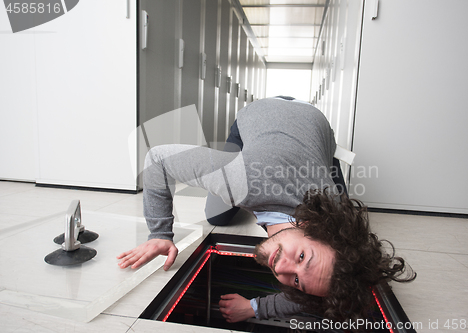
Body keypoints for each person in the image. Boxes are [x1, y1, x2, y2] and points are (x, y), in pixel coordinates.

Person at [117, 97, 415, 323]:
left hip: (318, 127)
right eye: (301, 257)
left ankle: (319, 161)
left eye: (296, 279)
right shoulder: (242, 181)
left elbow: (317, 295)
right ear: (317, 227)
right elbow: (157, 159)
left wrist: (255, 307)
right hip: (262, 111)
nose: (282, 269)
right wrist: (160, 233)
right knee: (218, 216)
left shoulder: (339, 218)